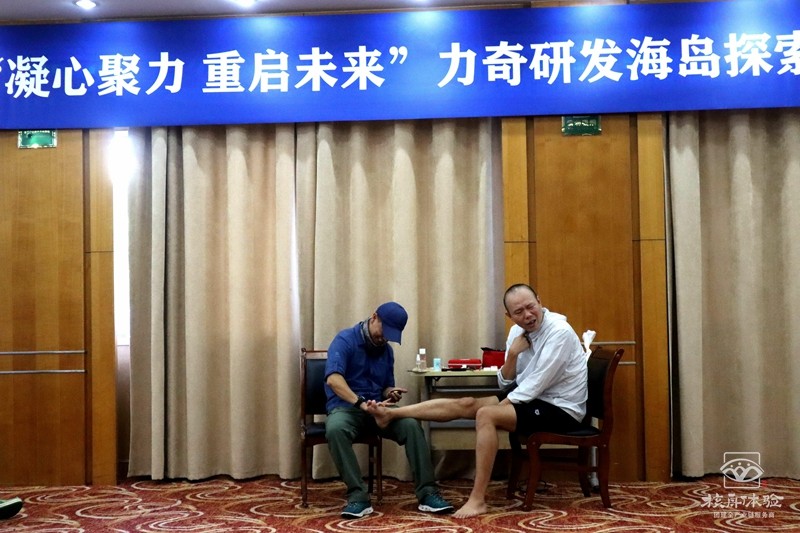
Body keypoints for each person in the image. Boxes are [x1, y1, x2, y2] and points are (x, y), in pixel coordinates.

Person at [366, 284, 587, 518]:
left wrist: (498, 407)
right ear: (509, 316)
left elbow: (536, 384)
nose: (528, 315)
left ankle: (478, 500)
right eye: (519, 312)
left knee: (486, 414)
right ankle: (391, 413)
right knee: (467, 403)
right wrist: (512, 354)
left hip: (562, 408)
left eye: (531, 307)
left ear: (540, 302)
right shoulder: (517, 332)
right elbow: (505, 381)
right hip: (533, 398)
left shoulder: (559, 332)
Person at [324, 301, 454, 519]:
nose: (384, 339)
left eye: (390, 336)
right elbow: (333, 380)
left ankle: (428, 493)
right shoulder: (344, 340)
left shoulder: (386, 351)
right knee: (335, 428)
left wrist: (390, 393)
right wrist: (361, 403)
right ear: (374, 317)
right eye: (384, 332)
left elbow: (384, 386)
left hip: (378, 411)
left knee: (411, 425)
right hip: (347, 409)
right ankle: (358, 496)